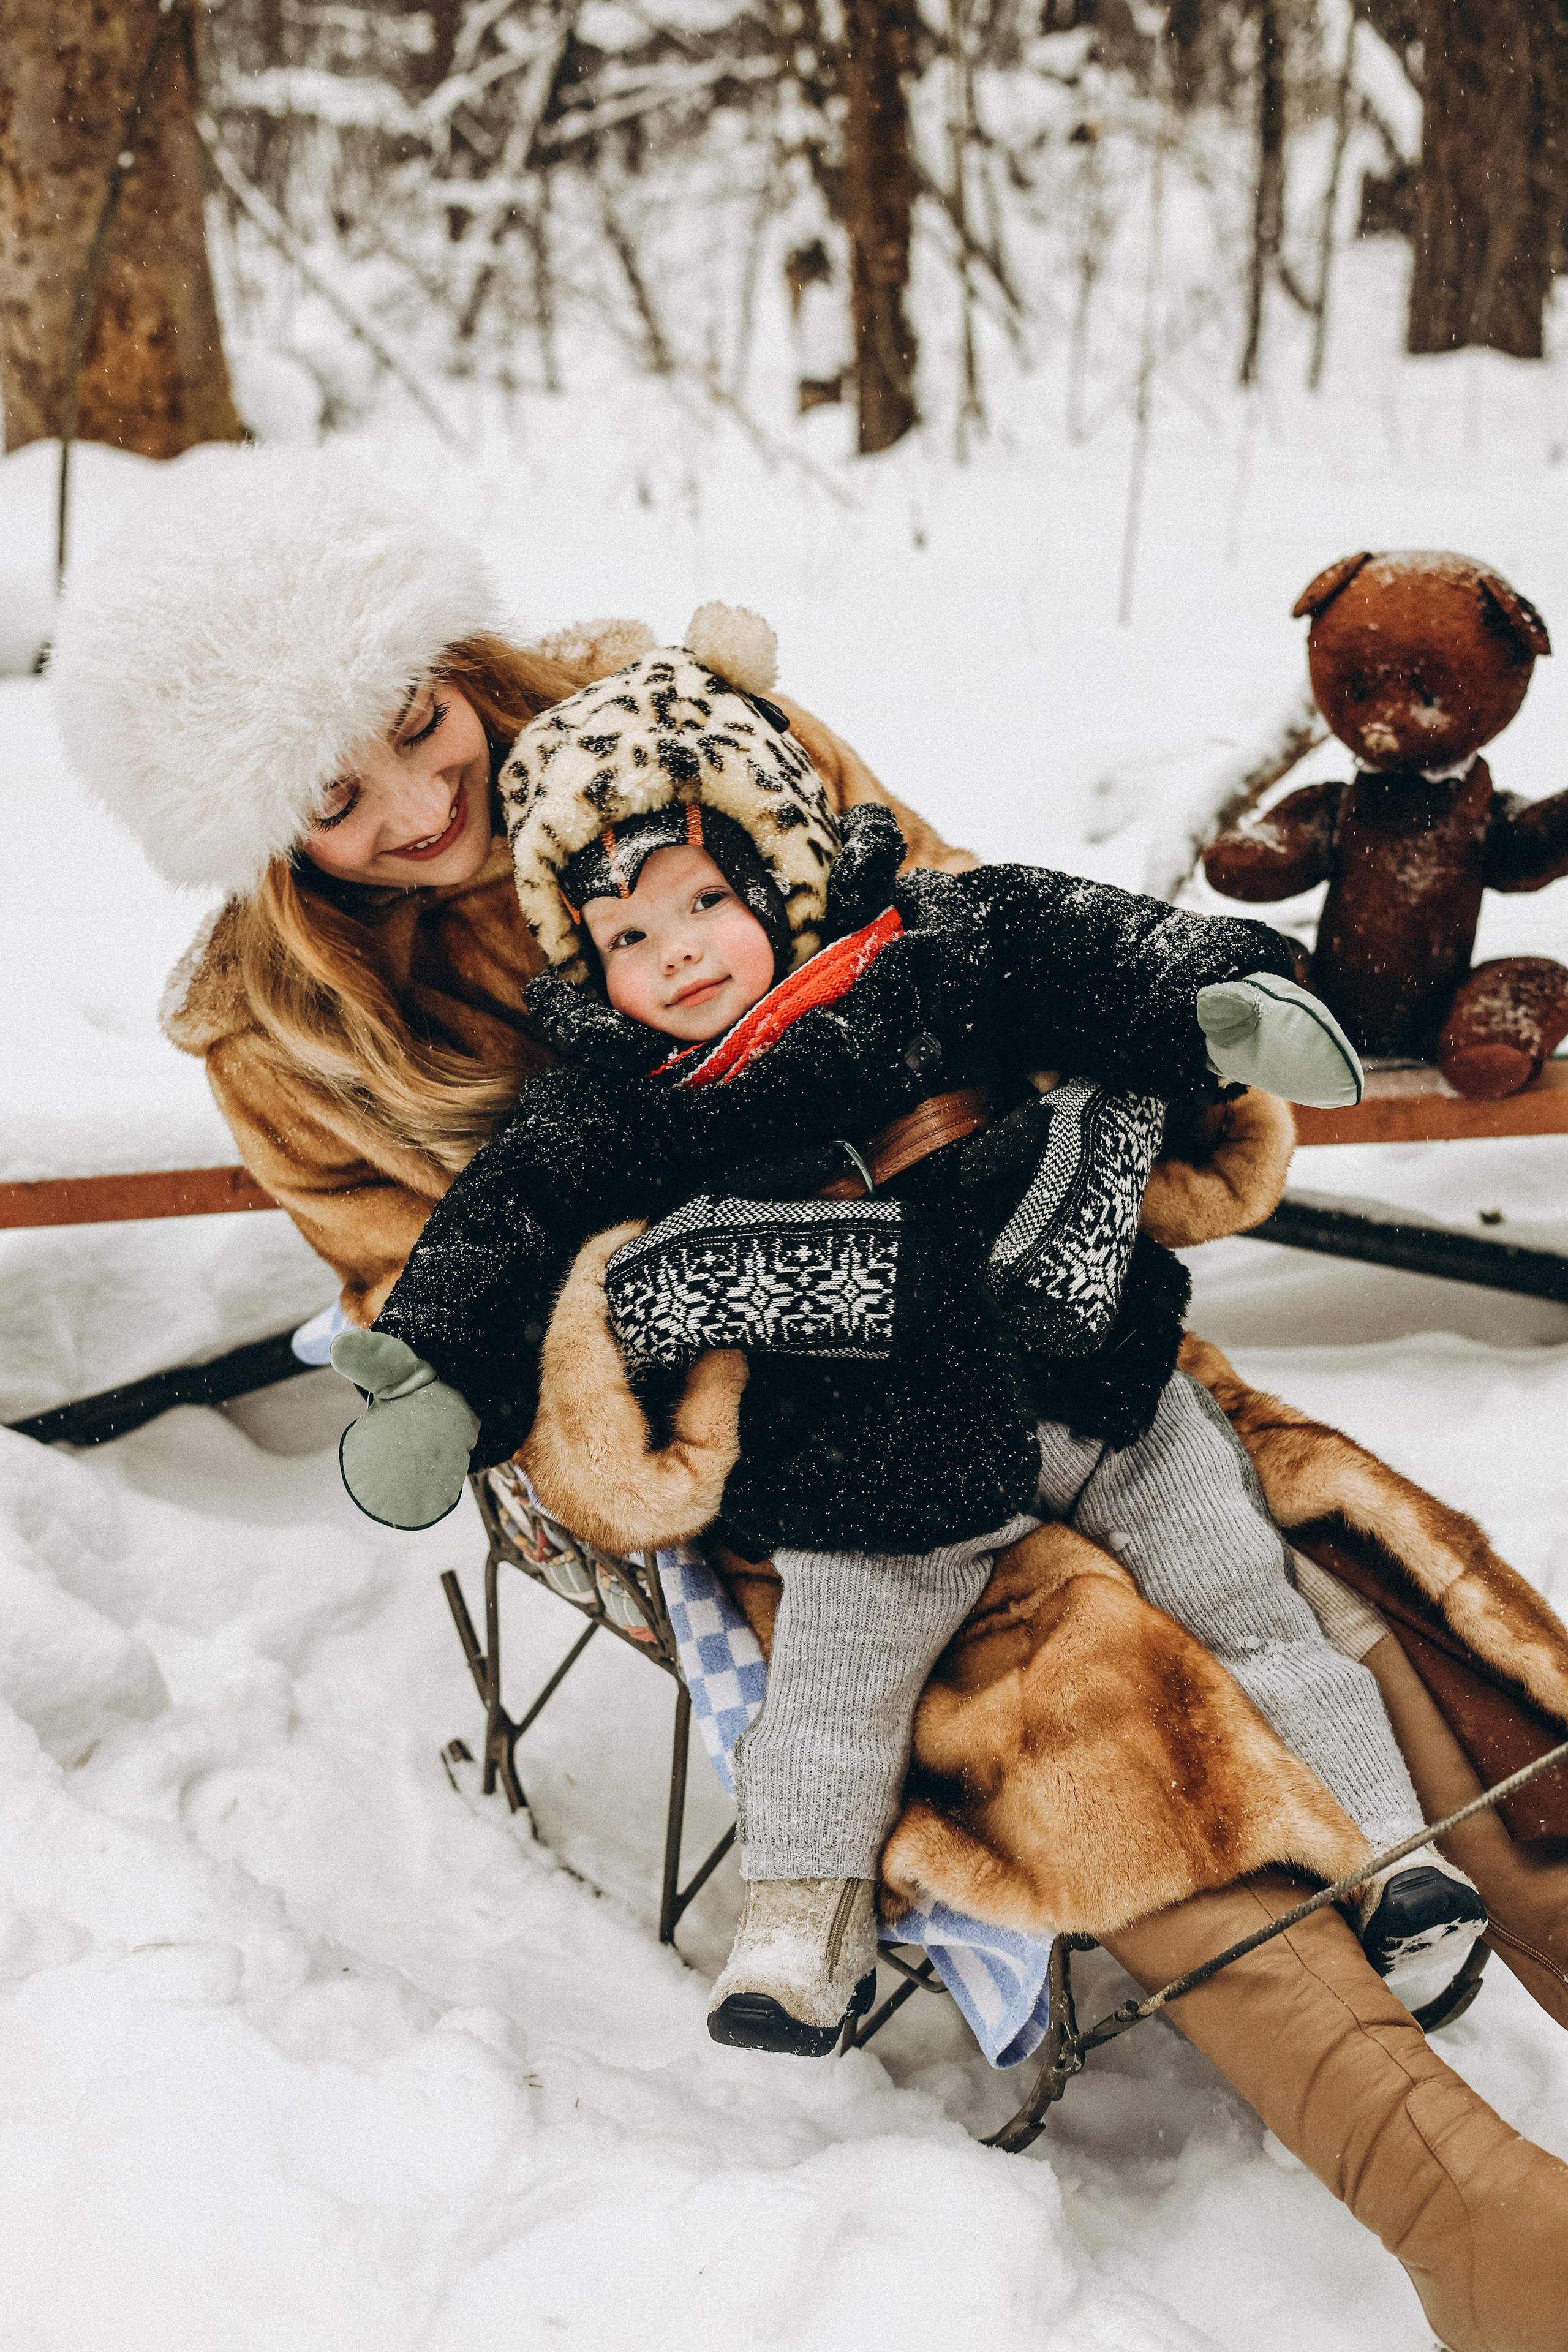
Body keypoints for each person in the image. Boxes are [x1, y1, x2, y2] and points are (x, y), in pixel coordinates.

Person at [48, 451, 1568, 2351]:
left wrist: (1106, 1131)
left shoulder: (697, 738)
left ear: (452, 654)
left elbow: (968, 938)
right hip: (783, 1449)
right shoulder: (279, 1028)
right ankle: (1470, 2212)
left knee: (1348, 1569)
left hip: (1038, 1294)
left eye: (419, 723)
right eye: (333, 802)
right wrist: (732, 1316)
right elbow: (446, 1302)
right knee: (1075, 1698)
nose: (423, 807)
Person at [325, 616, 1485, 2051]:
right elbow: (506, 1220)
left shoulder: (932, 945)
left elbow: (1090, 945)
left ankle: (1392, 1862)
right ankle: (797, 1940)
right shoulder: (616, 1099)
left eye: (702, 902)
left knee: (1246, 1602)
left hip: (1097, 1376)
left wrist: (1215, 995)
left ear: (777, 869)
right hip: (869, 1448)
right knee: (830, 1691)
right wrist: (439, 1369)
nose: (674, 956)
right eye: (624, 937)